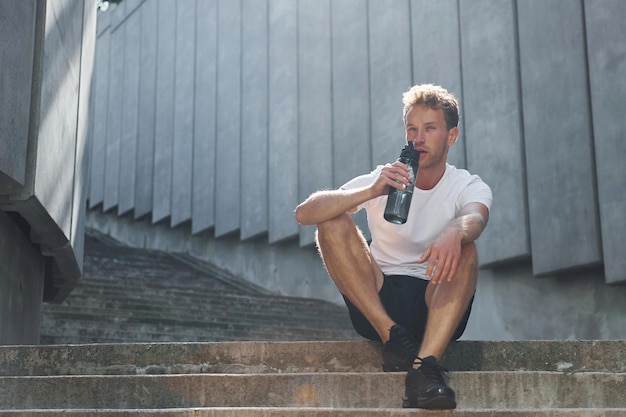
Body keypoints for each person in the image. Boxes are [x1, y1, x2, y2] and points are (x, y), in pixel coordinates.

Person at [295, 84, 492, 410]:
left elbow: (476, 217)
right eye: (412, 129)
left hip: (435, 300)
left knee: (467, 248)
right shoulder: (386, 176)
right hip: (379, 301)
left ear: (451, 136)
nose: (418, 138)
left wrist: (455, 232)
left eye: (430, 129)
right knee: (331, 221)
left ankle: (424, 369)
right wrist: (371, 191)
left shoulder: (466, 185)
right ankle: (394, 339)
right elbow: (305, 213)